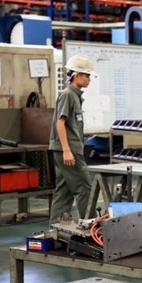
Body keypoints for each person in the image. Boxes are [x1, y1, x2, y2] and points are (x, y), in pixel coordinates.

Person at [48, 55, 94, 224]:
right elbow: (60, 123)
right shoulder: (68, 95)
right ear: (76, 75)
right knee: (85, 189)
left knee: (64, 190)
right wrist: (67, 150)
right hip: (68, 151)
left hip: (69, 149)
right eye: (86, 75)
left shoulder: (75, 95)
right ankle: (92, 228)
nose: (89, 79)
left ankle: (56, 228)